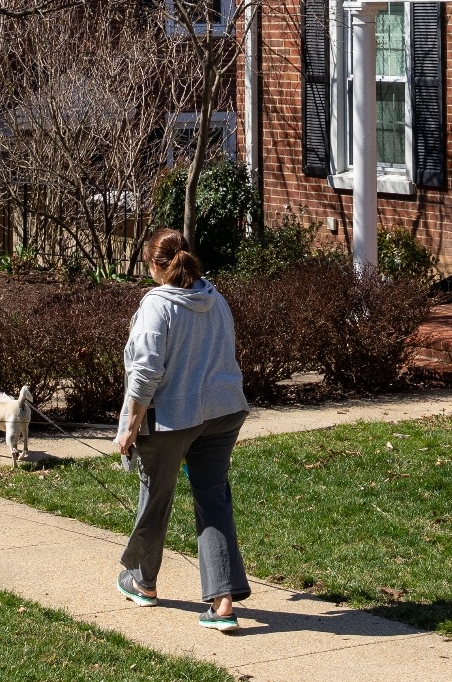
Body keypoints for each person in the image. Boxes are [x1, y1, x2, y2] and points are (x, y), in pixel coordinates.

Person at [115, 227, 250, 632]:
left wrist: (129, 428)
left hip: (173, 419)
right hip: (224, 413)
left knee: (155, 496)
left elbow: (144, 374)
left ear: (155, 266)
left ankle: (143, 581)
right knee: (213, 500)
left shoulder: (157, 305)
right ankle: (223, 603)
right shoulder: (215, 298)